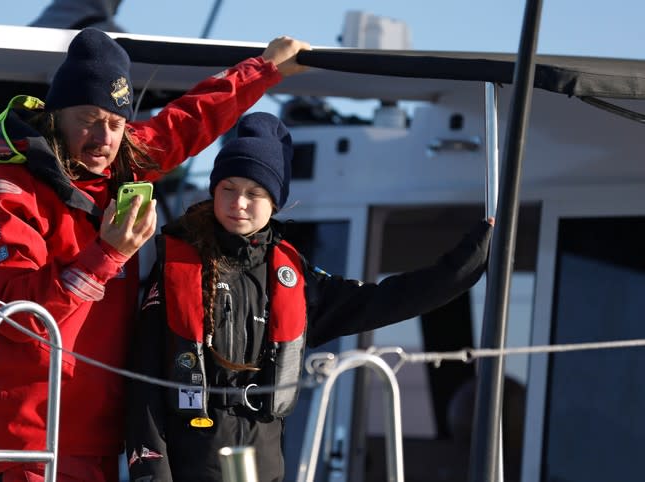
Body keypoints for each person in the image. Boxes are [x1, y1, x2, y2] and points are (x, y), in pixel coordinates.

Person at [0, 28, 310, 482]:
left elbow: (184, 123)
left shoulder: (116, 167)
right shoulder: (2, 192)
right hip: (22, 442)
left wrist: (264, 69)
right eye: (88, 118)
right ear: (56, 116)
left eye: (116, 124)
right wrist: (108, 254)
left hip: (106, 438)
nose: (104, 138)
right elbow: (17, 317)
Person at [124, 112, 494, 482]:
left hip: (262, 465)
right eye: (228, 189)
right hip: (188, 465)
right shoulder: (174, 265)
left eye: (254, 193)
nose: (238, 203)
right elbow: (144, 379)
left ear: (275, 203)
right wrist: (151, 473)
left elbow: (384, 300)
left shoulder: (293, 278)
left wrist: (464, 268)